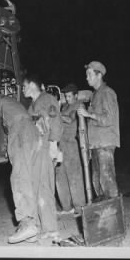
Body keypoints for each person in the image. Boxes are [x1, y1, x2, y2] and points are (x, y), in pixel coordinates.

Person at [0, 90, 41, 244]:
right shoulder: (11, 102)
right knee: (28, 177)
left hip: (20, 132)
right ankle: (32, 227)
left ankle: (27, 223)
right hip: (31, 131)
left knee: (18, 177)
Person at [22, 74, 63, 240]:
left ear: (32, 84)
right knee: (36, 188)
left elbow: (55, 121)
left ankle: (52, 228)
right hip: (34, 151)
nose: (22, 89)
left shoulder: (47, 100)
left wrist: (54, 145)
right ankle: (44, 227)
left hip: (45, 149)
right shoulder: (32, 106)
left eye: (24, 85)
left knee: (45, 187)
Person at [77, 61, 120, 199]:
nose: (87, 78)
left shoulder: (107, 93)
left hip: (105, 144)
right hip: (96, 144)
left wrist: (89, 114)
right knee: (97, 182)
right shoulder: (95, 95)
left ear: (99, 75)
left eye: (89, 74)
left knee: (107, 181)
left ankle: (114, 214)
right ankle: (106, 216)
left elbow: (109, 119)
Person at [56, 83, 86, 215]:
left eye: (69, 96)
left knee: (75, 176)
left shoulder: (79, 105)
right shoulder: (64, 106)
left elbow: (70, 119)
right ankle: (66, 207)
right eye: (66, 96)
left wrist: (56, 114)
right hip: (61, 145)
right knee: (60, 176)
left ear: (76, 95)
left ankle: (79, 207)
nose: (67, 99)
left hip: (72, 144)